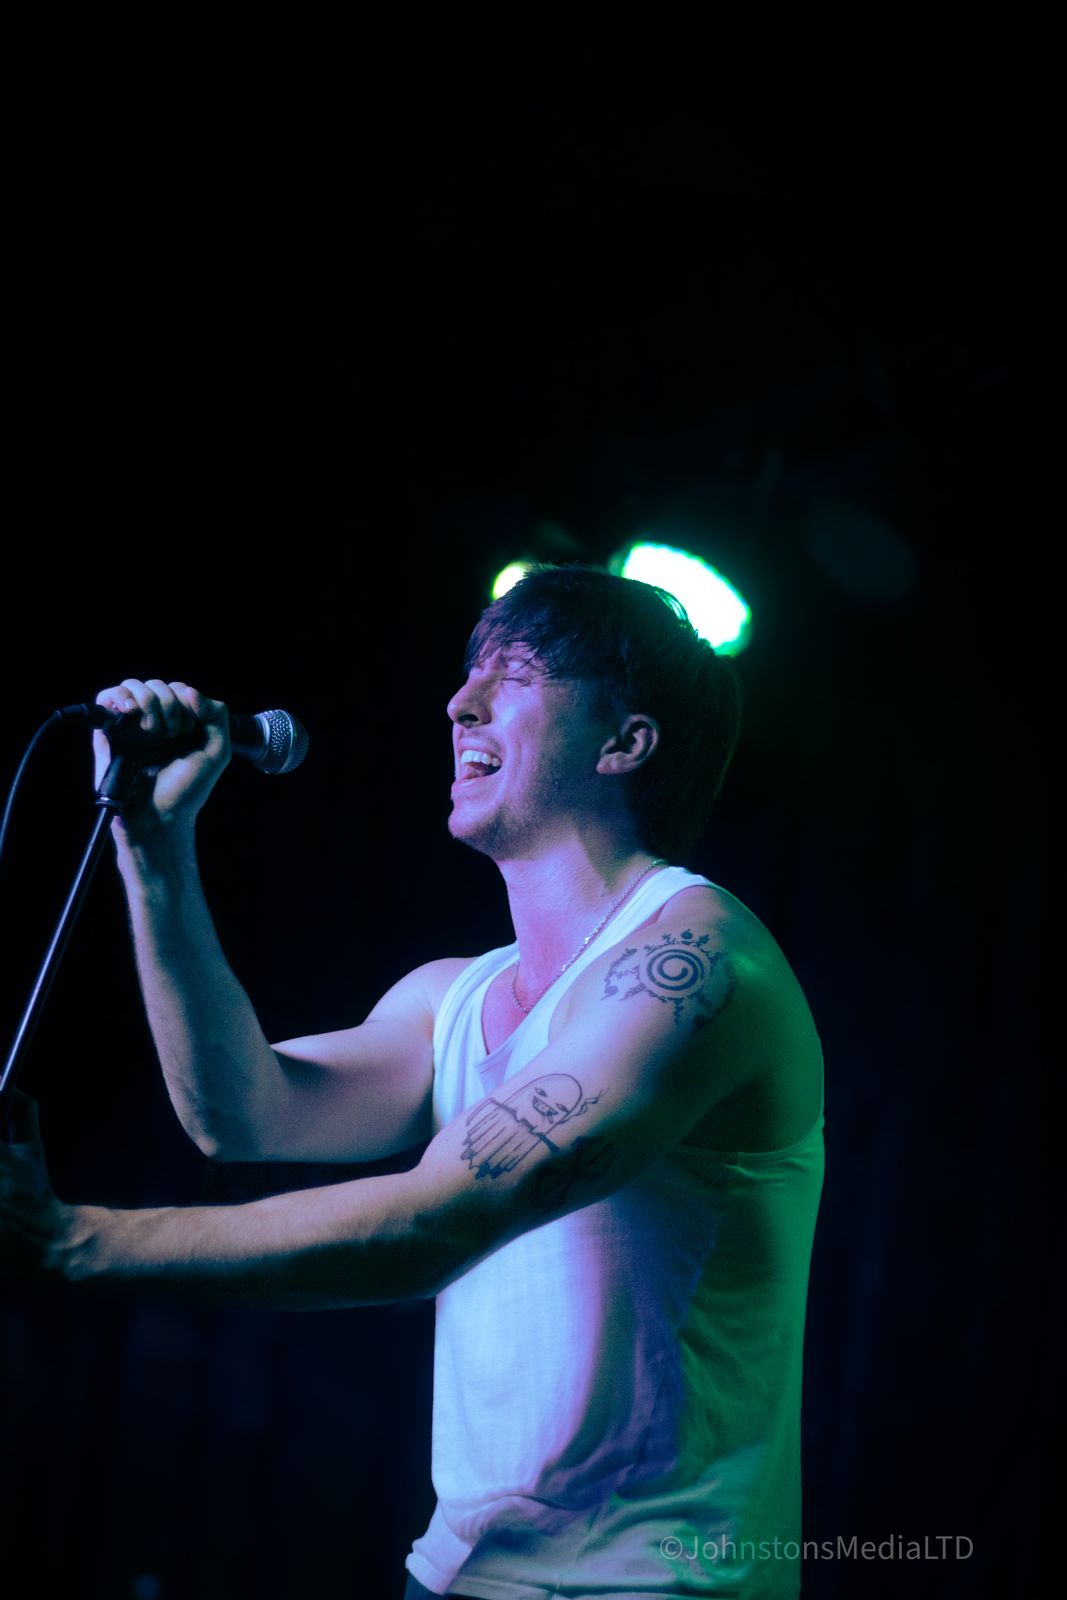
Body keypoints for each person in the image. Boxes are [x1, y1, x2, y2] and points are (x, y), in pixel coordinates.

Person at [1, 564, 824, 1599]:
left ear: (623, 743)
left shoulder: (697, 962)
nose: (459, 703)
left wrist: (72, 1242)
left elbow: (437, 1221)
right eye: (467, 672)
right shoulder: (452, 996)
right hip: (455, 1575)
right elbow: (240, 1114)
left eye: (513, 675)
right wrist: (154, 848)